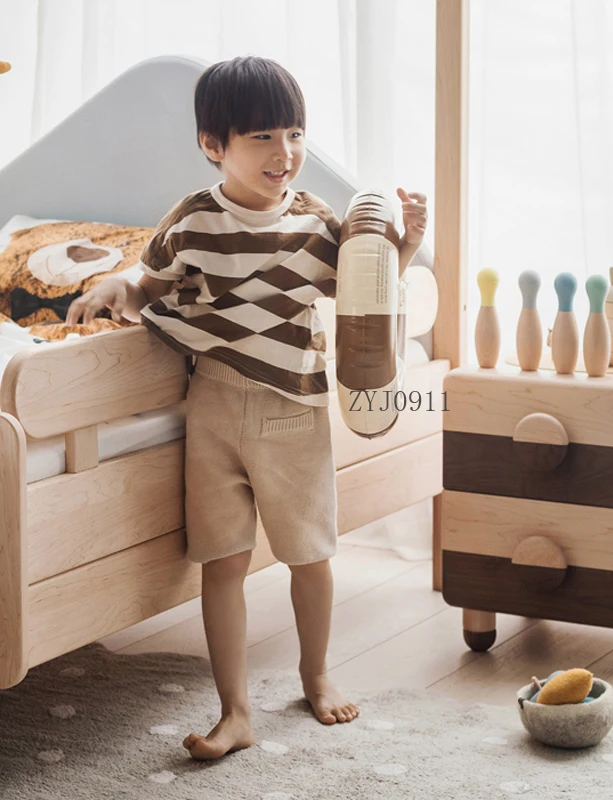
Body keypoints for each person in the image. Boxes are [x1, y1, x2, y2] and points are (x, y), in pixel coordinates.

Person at [65, 55, 428, 761]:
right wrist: (120, 286)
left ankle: (315, 674)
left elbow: (365, 294)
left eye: (293, 133)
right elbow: (151, 282)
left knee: (310, 556)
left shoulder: (318, 223)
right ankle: (235, 712)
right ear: (214, 145)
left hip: (292, 409)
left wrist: (405, 243)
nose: (284, 153)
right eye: (262, 137)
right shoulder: (192, 221)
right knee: (222, 561)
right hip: (214, 408)